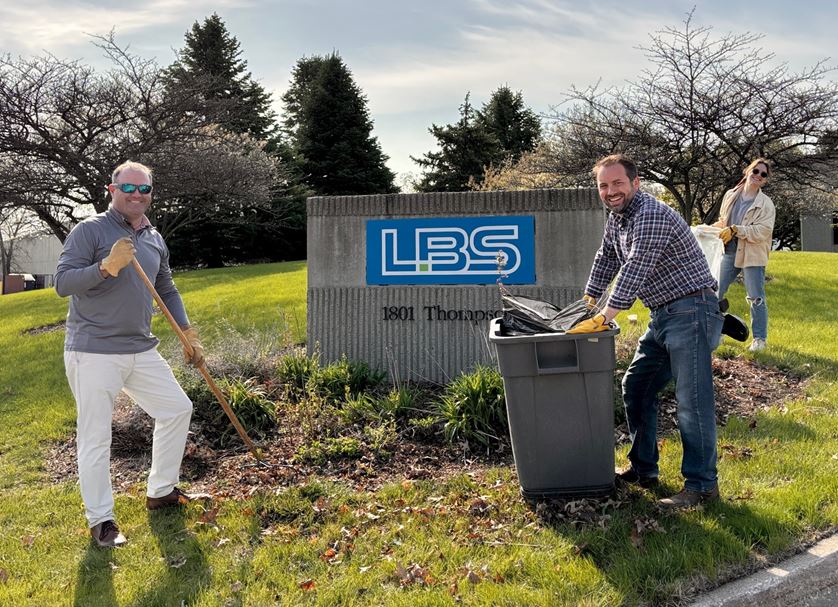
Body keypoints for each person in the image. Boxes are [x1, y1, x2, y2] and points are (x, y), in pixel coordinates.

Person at [55, 160, 204, 548]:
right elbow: (63, 283)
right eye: (128, 188)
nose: (136, 195)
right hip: (93, 351)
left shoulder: (154, 238)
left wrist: (187, 333)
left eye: (144, 189)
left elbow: (166, 287)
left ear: (151, 193)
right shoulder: (90, 230)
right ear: (112, 190)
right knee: (95, 436)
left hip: (140, 347)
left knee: (177, 408)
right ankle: (101, 520)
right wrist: (105, 267)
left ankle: (161, 491)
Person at [569, 154, 724, 508]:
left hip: (692, 310)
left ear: (636, 183)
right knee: (637, 386)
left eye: (617, 183)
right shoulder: (617, 218)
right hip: (663, 314)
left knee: (692, 401)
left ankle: (702, 487)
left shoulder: (650, 214)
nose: (610, 191)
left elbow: (636, 266)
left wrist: (605, 316)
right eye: (603, 186)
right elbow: (607, 257)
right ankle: (643, 470)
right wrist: (588, 300)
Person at [712, 158, 776, 352]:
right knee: (714, 292)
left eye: (763, 174)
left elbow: (763, 231)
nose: (758, 176)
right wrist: (713, 229)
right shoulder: (731, 195)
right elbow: (724, 221)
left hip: (752, 254)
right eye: (756, 171)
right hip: (729, 251)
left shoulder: (766, 204)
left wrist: (737, 230)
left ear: (765, 180)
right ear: (748, 171)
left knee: (756, 297)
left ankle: (759, 340)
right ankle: (717, 331)